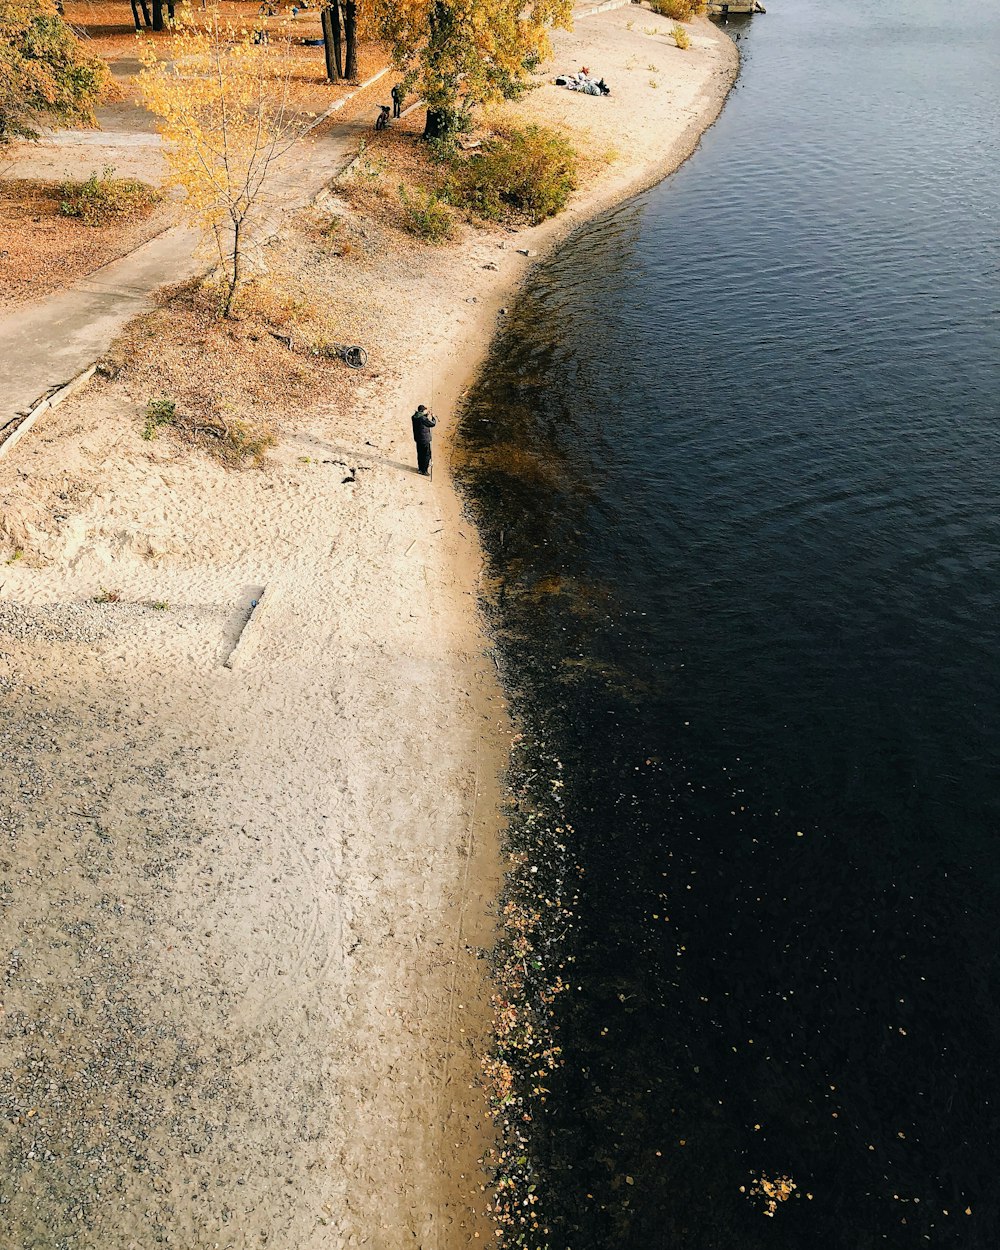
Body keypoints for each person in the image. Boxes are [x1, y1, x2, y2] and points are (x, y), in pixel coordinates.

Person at [410, 404, 437, 476]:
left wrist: (426, 415)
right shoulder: (423, 419)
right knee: (426, 455)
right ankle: (424, 470)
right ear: (422, 411)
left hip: (418, 439)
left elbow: (421, 420)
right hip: (424, 439)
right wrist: (433, 417)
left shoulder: (414, 417)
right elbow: (432, 424)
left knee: (420, 454)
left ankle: (420, 469)